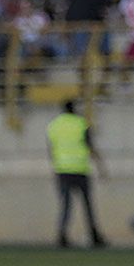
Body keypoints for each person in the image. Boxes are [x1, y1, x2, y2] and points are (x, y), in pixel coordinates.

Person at [47, 99, 107, 248]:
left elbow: (51, 149)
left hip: (62, 170)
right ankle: (94, 236)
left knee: (66, 205)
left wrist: (54, 167)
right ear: (74, 109)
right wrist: (101, 166)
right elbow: (90, 146)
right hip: (80, 169)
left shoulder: (54, 125)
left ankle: (61, 235)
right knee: (88, 206)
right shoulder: (81, 124)